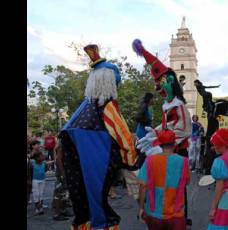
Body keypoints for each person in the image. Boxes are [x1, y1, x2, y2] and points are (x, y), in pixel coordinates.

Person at [59, 44, 137, 229]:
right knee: (98, 203)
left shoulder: (83, 108)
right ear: (110, 82)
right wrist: (131, 162)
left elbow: (65, 132)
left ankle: (82, 224)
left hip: (75, 161)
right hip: (100, 162)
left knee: (82, 200)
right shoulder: (107, 106)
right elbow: (123, 137)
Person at [133, 39, 192, 225]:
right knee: (164, 185)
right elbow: (167, 125)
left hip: (176, 151)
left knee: (178, 186)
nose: (159, 88)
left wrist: (164, 142)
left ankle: (180, 215)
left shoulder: (179, 105)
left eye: (161, 83)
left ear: (171, 82)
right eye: (157, 84)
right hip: (167, 151)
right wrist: (153, 134)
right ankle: (164, 213)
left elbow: (184, 128)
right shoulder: (168, 106)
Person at [137, 130, 190, 230]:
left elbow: (143, 186)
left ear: (160, 145)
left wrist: (141, 208)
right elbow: (186, 182)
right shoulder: (184, 161)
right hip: (176, 214)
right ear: (174, 144)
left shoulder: (149, 160)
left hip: (154, 213)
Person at [52, 140, 72, 221]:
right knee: (59, 193)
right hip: (61, 174)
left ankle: (63, 210)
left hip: (66, 172)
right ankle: (57, 213)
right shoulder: (62, 144)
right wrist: (63, 173)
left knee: (65, 193)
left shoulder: (67, 143)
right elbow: (58, 159)